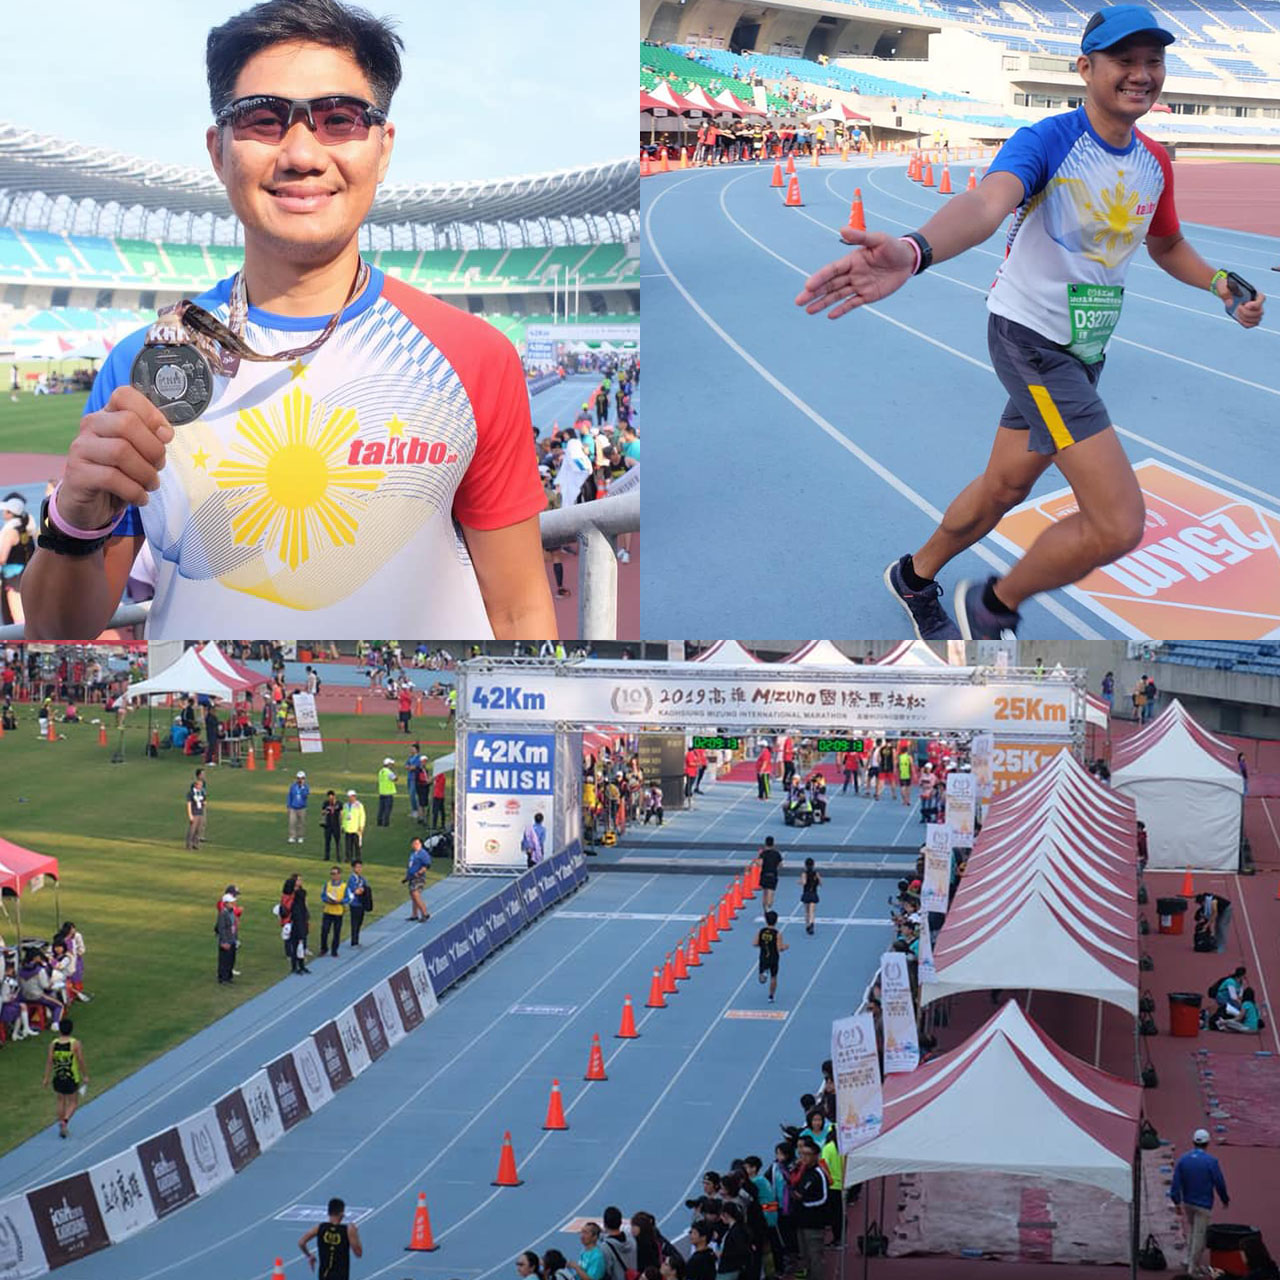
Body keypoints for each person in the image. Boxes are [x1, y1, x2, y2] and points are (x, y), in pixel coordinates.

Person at [21, 0, 555, 644]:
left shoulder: (473, 355)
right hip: (204, 723)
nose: (301, 154)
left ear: (382, 149)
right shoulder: (149, 364)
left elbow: (522, 613)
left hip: (423, 722)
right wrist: (75, 518)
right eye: (264, 120)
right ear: (218, 152)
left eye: (339, 120)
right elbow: (58, 626)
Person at [800, 7, 1265, 640]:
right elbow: (986, 204)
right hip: (1031, 343)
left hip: (1083, 352)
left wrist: (1217, 284)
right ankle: (992, 607)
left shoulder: (1154, 160)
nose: (1141, 74)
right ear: (1085, 68)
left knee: (1004, 486)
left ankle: (913, 576)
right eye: (1124, 60)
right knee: (1117, 523)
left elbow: (1166, 244)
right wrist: (916, 250)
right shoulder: (1047, 141)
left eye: (1152, 61)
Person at [1170, 1129, 1229, 1278]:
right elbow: (1219, 1182)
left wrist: (1176, 1201)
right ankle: (1192, 1268)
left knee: (1192, 1230)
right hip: (1204, 1204)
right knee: (1200, 1236)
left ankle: (1187, 1258)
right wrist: (1224, 1198)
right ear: (1207, 1143)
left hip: (1188, 1202)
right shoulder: (1211, 1161)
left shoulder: (1183, 1160)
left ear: (1193, 1142)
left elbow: (1176, 1184)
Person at [789, 1138, 830, 1280]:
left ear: (815, 1156)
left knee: (815, 1257)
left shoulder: (819, 1173)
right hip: (801, 1221)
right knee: (805, 1256)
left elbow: (824, 1198)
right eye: (802, 1153)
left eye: (807, 1154)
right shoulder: (802, 1171)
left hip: (813, 1224)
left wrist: (805, 1202)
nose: (803, 1157)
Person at [42, 1018, 89, 1139]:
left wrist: (46, 1077)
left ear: (60, 1030)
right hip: (71, 1077)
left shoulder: (54, 1043)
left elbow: (49, 1061)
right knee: (73, 1102)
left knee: (60, 1100)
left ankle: (61, 1122)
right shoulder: (75, 1043)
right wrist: (85, 1075)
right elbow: (80, 1060)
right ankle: (65, 1121)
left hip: (58, 1077)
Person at [299, 1197, 363, 1277]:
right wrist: (356, 1234)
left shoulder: (320, 1228)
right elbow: (358, 1253)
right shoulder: (348, 1230)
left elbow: (301, 1242)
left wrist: (309, 1255)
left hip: (324, 1275)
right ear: (342, 1214)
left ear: (328, 1213)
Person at [755, 909, 788, 1002]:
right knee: (773, 977)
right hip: (774, 958)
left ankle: (763, 974)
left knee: (762, 978)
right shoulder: (777, 934)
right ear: (776, 921)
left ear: (766, 920)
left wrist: (763, 944)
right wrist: (785, 946)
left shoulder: (761, 931)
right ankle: (771, 996)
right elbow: (779, 948)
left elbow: (754, 943)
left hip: (763, 957)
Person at [319, 864, 351, 957]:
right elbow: (323, 896)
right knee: (324, 931)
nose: (333, 875)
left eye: (334, 873)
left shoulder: (344, 886)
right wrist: (327, 900)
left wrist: (340, 901)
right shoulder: (327, 884)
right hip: (328, 911)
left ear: (339, 875)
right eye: (331, 873)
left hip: (338, 912)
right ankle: (324, 948)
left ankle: (334, 950)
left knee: (336, 932)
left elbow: (348, 898)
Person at [600, 1206, 637, 1280]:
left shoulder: (605, 1247)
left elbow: (606, 1272)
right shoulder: (631, 1240)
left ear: (604, 1224)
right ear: (620, 1222)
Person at [404, 836, 432, 922]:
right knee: (413, 896)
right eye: (414, 843)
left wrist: (419, 872)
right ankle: (414, 914)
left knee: (415, 894)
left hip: (418, 877)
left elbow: (427, 865)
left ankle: (425, 913)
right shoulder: (413, 854)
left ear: (420, 844)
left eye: (417, 843)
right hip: (412, 877)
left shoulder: (422, 853)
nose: (415, 845)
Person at [755, 837, 783, 913]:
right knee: (771, 892)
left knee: (765, 893)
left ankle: (765, 910)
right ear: (773, 844)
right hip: (773, 875)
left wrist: (757, 859)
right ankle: (769, 908)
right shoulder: (777, 853)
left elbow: (759, 864)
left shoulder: (763, 853)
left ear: (765, 844)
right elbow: (781, 865)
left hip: (764, 875)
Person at [290, 879, 312, 974]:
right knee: (295, 946)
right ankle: (295, 967)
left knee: (301, 946)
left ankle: (301, 966)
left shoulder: (301, 902)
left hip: (302, 923)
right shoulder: (294, 903)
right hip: (296, 925)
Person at [346, 859, 370, 946]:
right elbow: (356, 891)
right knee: (355, 922)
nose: (359, 869)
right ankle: (354, 941)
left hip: (361, 903)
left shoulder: (362, 878)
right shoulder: (352, 879)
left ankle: (357, 939)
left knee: (360, 922)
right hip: (354, 903)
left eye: (360, 867)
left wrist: (362, 889)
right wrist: (362, 889)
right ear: (353, 868)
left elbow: (366, 888)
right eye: (357, 867)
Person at [216, 890, 238, 983]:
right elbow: (221, 928)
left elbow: (234, 925)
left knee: (231, 959)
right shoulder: (223, 914)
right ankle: (223, 977)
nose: (233, 904)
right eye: (231, 902)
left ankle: (229, 976)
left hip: (232, 939)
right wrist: (224, 942)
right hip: (226, 940)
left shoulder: (232, 912)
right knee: (224, 960)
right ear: (225, 903)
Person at [186, 769, 208, 849]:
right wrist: (190, 815)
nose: (201, 786)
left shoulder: (201, 792)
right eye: (199, 785)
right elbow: (189, 804)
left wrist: (204, 803)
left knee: (198, 829)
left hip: (200, 811)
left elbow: (204, 800)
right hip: (194, 812)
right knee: (192, 829)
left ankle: (196, 843)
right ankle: (189, 844)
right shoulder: (191, 793)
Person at [342, 789, 365, 860]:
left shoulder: (359, 805)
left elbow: (362, 816)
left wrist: (361, 826)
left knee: (357, 845)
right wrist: (342, 826)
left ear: (354, 796)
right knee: (348, 845)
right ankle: (348, 858)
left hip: (356, 829)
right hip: (348, 828)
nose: (350, 798)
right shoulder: (345, 805)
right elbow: (343, 816)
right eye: (349, 797)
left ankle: (358, 858)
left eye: (351, 796)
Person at [800, 858, 821, 935]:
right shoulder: (816, 873)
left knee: (806, 912)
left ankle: (807, 926)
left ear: (805, 865)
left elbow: (804, 882)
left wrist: (800, 882)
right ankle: (812, 923)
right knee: (812, 911)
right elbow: (820, 883)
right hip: (814, 893)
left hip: (806, 893)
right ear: (813, 865)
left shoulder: (804, 874)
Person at [288, 770, 310, 844]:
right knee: (292, 822)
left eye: (302, 778)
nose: (300, 780)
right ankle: (292, 836)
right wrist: (289, 805)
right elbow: (290, 796)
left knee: (301, 823)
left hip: (302, 807)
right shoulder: (293, 786)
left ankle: (300, 836)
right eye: (299, 778)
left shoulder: (306, 787)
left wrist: (302, 788)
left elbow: (305, 796)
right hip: (293, 807)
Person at [322, 789, 342, 860]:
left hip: (336, 825)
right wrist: (326, 811)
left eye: (331, 797)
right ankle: (327, 857)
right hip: (328, 825)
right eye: (329, 797)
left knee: (338, 842)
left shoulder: (339, 803)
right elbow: (322, 812)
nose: (330, 798)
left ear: (334, 796)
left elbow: (342, 813)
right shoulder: (326, 803)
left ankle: (338, 857)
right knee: (327, 842)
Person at [376, 758, 397, 826]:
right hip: (388, 793)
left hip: (382, 792)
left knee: (381, 808)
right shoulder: (389, 772)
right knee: (387, 809)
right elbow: (395, 779)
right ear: (388, 764)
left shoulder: (381, 771)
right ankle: (386, 823)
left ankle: (379, 822)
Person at [430, 764, 448, 829]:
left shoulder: (440, 776)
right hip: (440, 795)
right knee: (441, 810)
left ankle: (434, 825)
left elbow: (433, 781)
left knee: (436, 811)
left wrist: (432, 779)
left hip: (437, 795)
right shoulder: (442, 776)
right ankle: (442, 824)